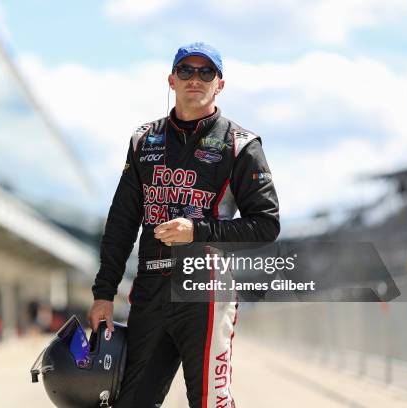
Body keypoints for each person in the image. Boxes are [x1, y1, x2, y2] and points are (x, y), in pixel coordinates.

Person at [88, 42, 280, 408]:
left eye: (206, 72)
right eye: (187, 71)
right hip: (149, 291)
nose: (196, 79)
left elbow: (266, 225)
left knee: (209, 402)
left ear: (219, 84)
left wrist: (198, 230)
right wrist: (103, 292)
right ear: (171, 80)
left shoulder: (241, 145)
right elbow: (122, 222)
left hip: (205, 291)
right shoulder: (143, 140)